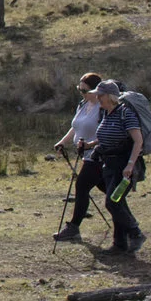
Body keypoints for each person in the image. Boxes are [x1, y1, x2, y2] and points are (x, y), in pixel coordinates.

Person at [62, 80, 147, 256]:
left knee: (112, 202)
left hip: (123, 164)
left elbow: (138, 141)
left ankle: (136, 233)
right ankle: (120, 244)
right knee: (116, 201)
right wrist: (89, 145)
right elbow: (103, 137)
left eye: (100, 95)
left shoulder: (126, 113)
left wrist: (130, 165)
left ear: (109, 96)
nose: (97, 98)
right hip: (108, 164)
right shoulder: (107, 113)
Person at [50, 73, 105, 241]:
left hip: (98, 156)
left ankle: (73, 228)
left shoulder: (103, 108)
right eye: (79, 89)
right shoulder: (83, 104)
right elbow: (76, 127)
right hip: (85, 156)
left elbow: (105, 133)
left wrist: (89, 145)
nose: (81, 93)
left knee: (81, 186)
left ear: (96, 90)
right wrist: (62, 142)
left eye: (84, 90)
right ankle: (129, 226)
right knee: (109, 192)